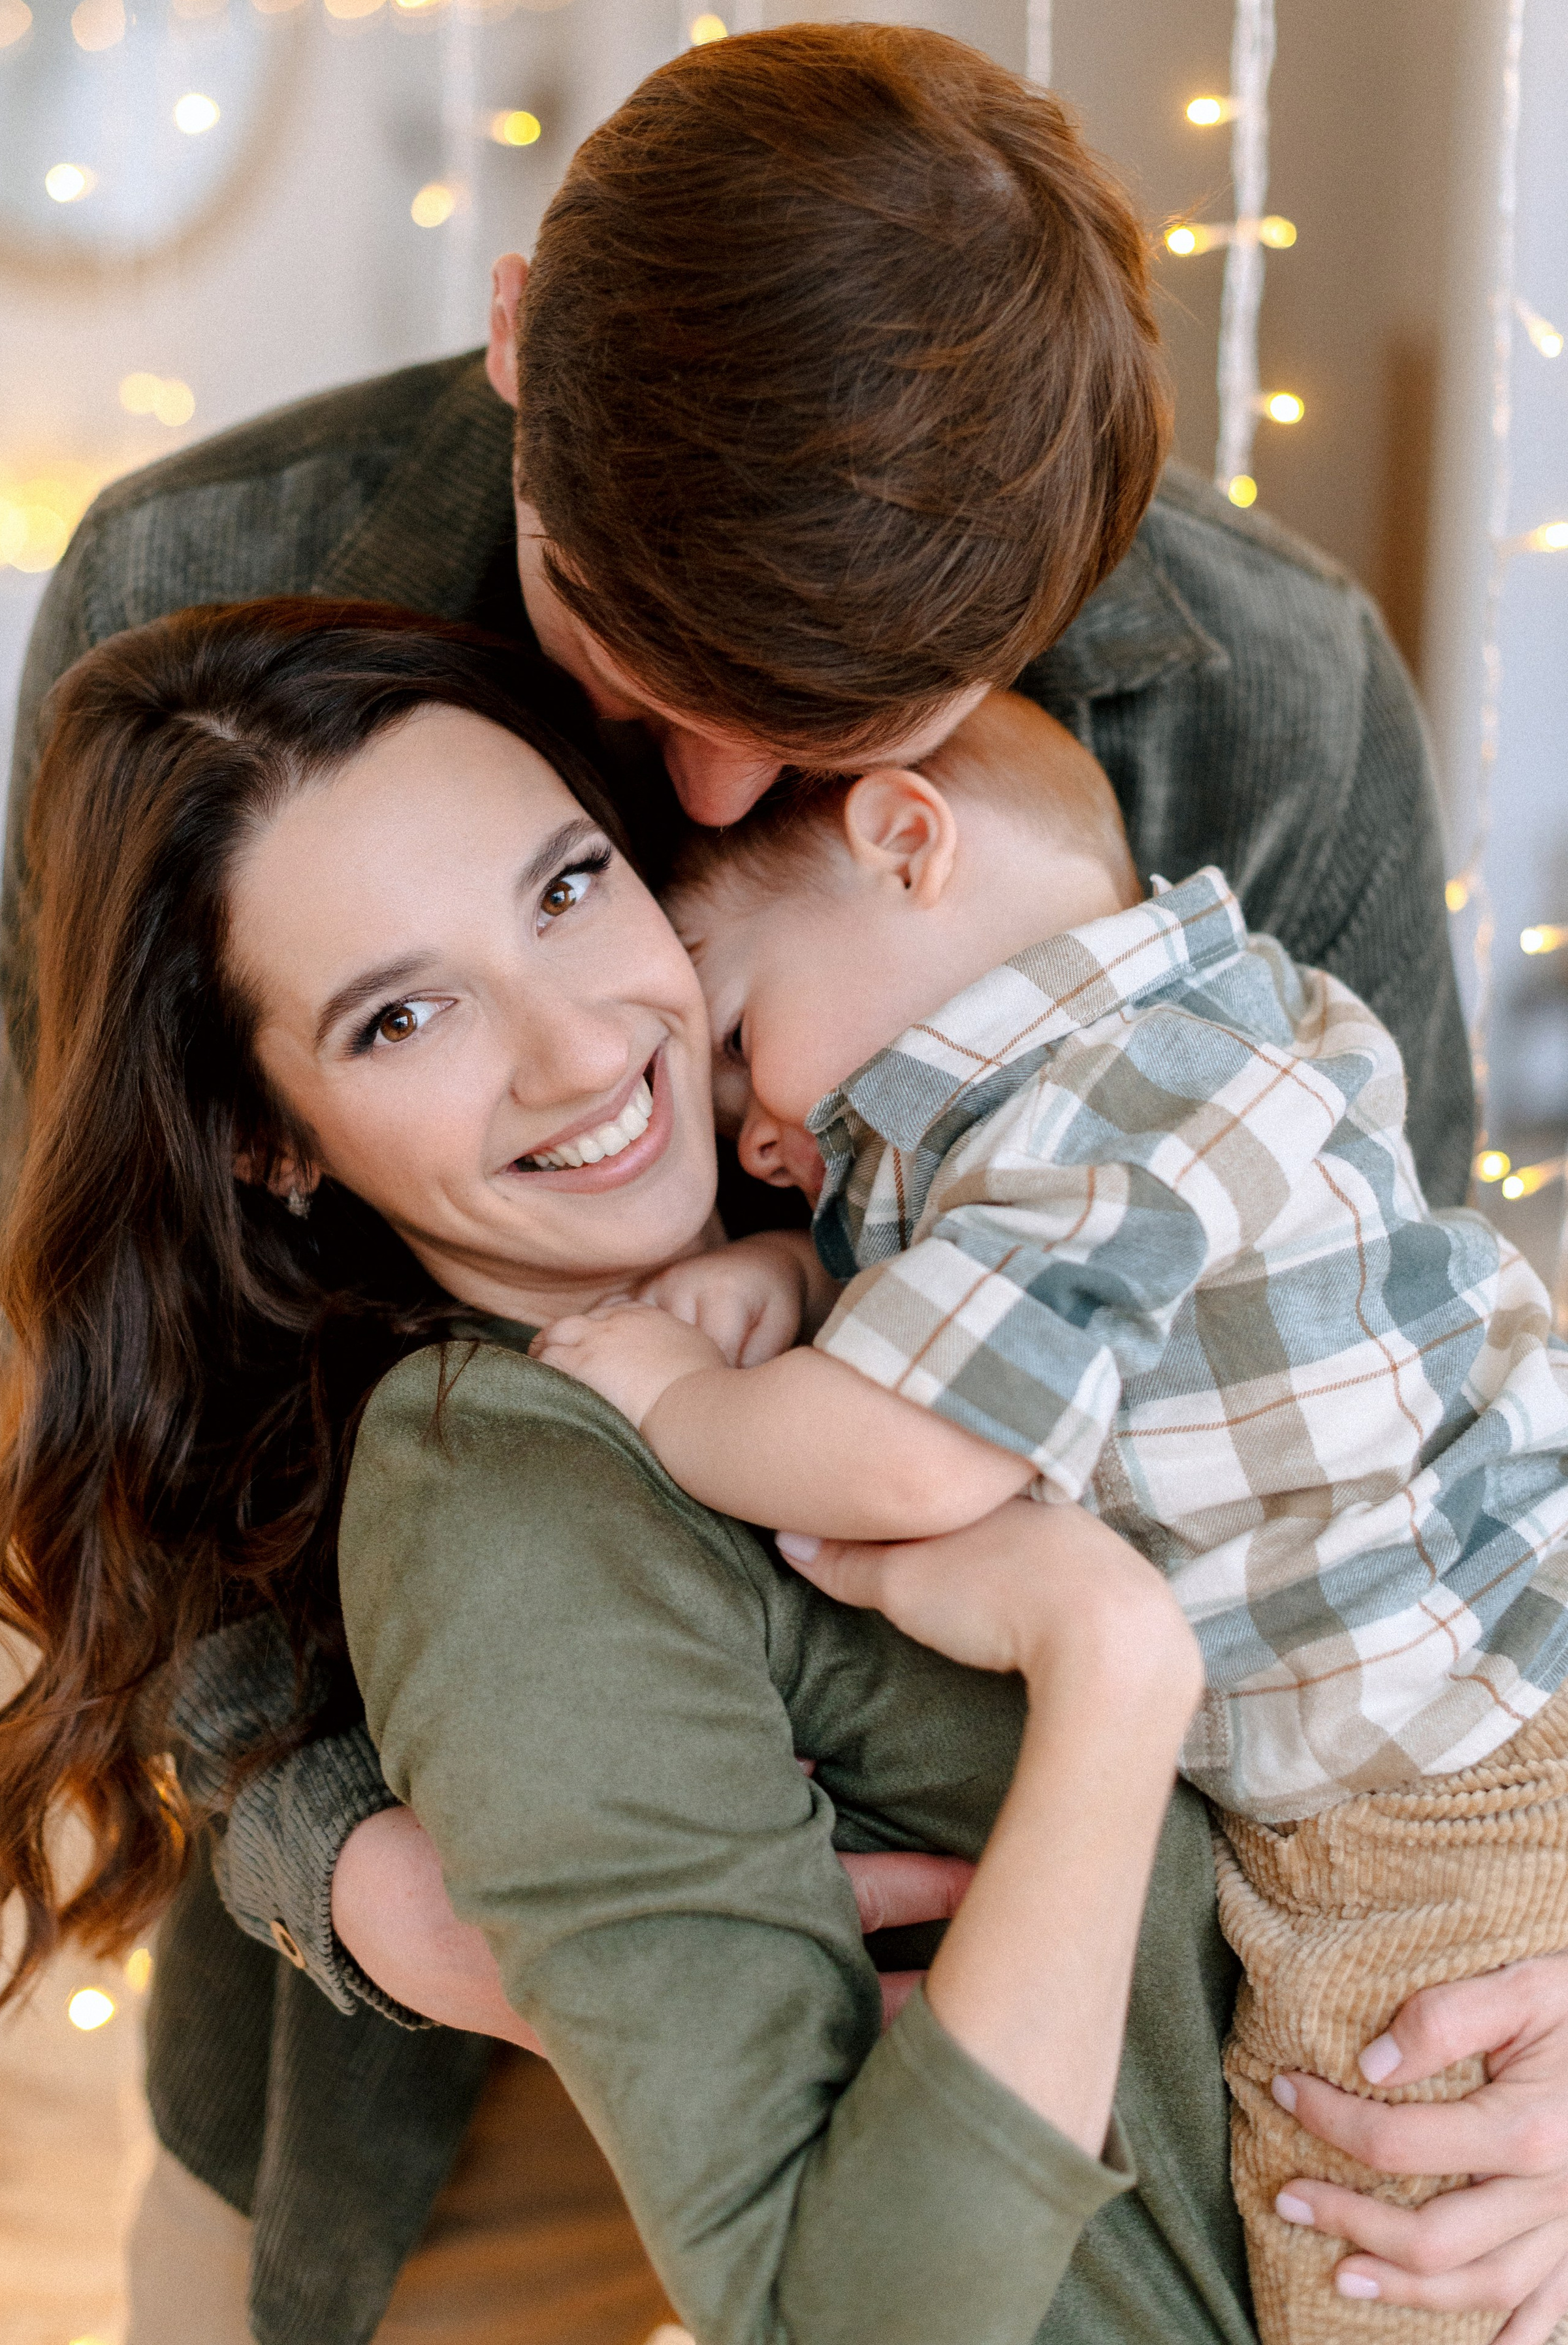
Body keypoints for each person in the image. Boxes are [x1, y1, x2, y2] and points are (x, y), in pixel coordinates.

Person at [0, 24, 1568, 2341]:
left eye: (848, 734)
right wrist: (360, 1869)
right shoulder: (205, 585)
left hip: (1121, 2012)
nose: (709, 792)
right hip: (451, 2014)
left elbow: (1415, 1441)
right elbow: (133, 1385)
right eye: (628, 660)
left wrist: (1516, 1971)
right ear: (522, 335)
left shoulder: (1272, 689)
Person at [0, 601, 1210, 2345]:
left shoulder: (907, 1190)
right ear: (272, 1141)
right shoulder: (506, 1492)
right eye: (402, 1018)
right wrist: (1112, 1668)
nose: (579, 1049)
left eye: (565, 889)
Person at [534, 687, 1568, 2344]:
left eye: (735, 1031)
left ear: (904, 842)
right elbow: (1051, 1309)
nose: (747, 1128)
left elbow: (913, 1456)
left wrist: (667, 1389)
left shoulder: (1078, 1121)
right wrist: (793, 1268)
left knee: (1372, 2242)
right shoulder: (1194, 1035)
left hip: (1416, 1806)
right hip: (1479, 1710)